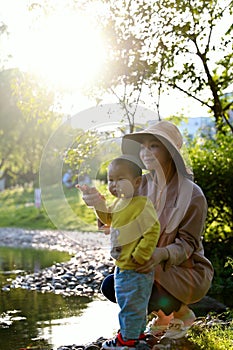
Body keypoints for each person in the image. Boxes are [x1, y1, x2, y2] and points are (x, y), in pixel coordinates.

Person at [97, 121, 214, 341]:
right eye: (142, 146)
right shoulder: (140, 184)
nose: (145, 152)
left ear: (170, 152)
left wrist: (161, 254)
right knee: (111, 285)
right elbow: (116, 219)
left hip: (184, 269)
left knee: (141, 275)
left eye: (154, 146)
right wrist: (97, 205)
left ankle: (182, 313)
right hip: (143, 262)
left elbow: (188, 244)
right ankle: (162, 315)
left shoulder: (192, 194)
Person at [77, 155, 160, 350]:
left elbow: (153, 229)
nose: (114, 185)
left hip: (135, 266)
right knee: (131, 301)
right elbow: (107, 219)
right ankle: (137, 336)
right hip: (122, 265)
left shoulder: (141, 204)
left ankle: (128, 340)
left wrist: (141, 255)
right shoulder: (118, 204)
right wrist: (97, 203)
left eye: (120, 179)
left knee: (130, 304)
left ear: (137, 182)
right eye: (110, 180)